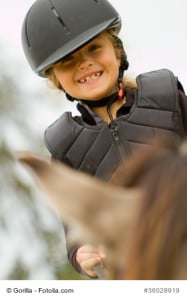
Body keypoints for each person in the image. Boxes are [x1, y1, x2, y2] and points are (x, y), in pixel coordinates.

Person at [21, 0, 187, 278]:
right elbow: (75, 231)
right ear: (55, 80)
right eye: (68, 61)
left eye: (94, 48)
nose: (84, 63)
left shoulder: (167, 99)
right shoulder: (65, 146)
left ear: (117, 51)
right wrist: (80, 255)